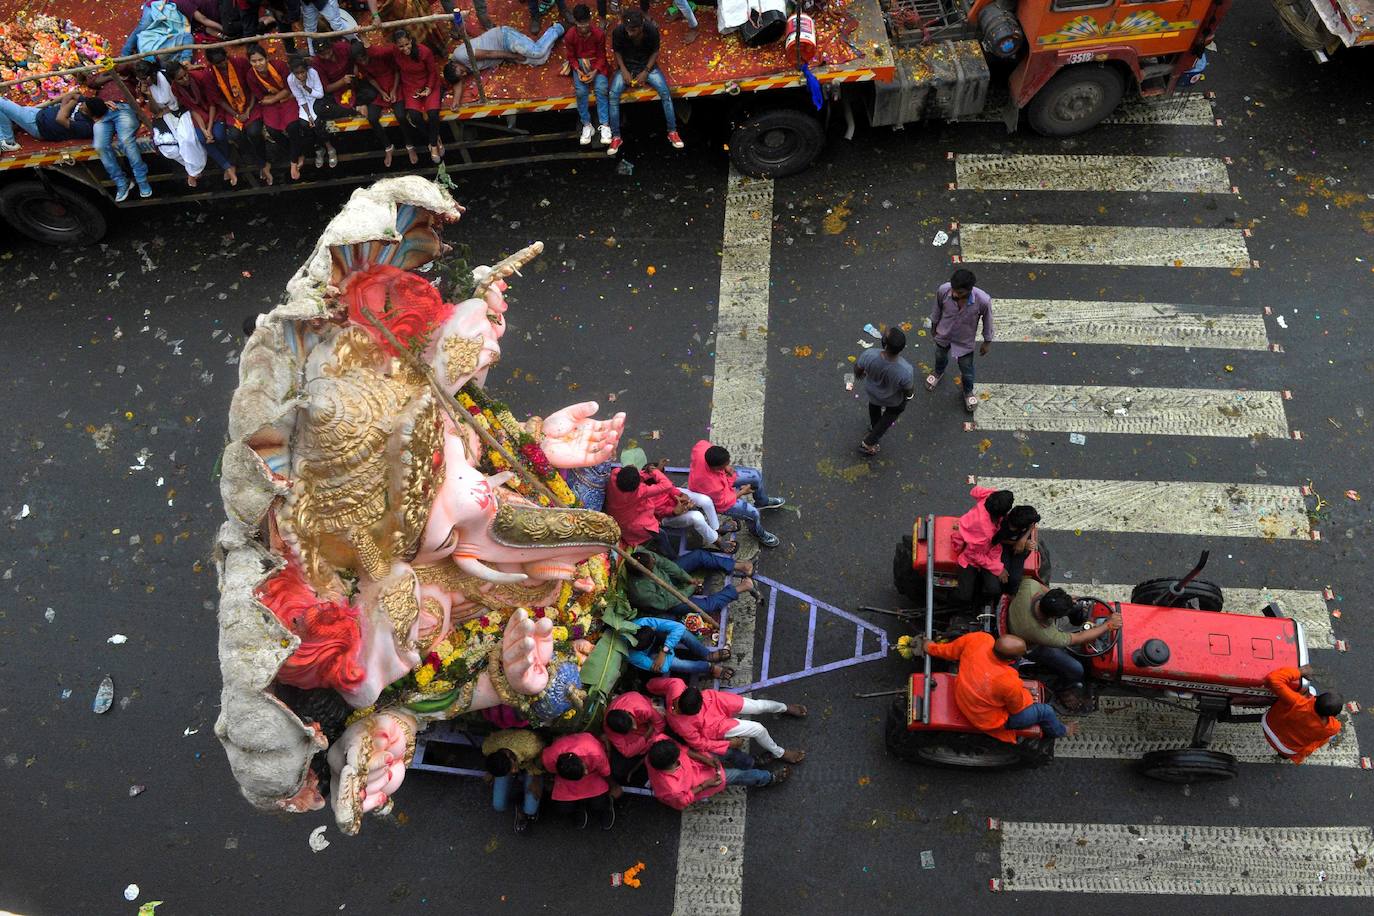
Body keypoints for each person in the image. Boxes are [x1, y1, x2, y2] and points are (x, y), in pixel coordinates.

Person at [909, 632, 1075, 741]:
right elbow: (1017, 708)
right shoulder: (1008, 681)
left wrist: (929, 647)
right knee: (1045, 711)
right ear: (1012, 660)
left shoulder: (979, 639)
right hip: (986, 719)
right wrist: (1025, 694)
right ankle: (1060, 731)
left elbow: (949, 650)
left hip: (963, 694)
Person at [1006, 584, 1120, 712]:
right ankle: (1064, 688)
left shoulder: (1029, 588)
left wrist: (1063, 601)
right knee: (1075, 669)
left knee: (1075, 607)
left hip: (1015, 616)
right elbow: (1079, 638)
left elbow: (1043, 589)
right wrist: (1108, 626)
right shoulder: (1045, 634)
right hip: (1032, 647)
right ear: (1054, 618)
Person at [648, 677, 807, 764]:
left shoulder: (676, 684)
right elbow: (700, 744)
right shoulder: (681, 725)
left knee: (759, 707)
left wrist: (647, 688)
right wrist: (727, 744)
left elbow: (653, 684)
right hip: (715, 726)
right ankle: (780, 753)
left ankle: (784, 707)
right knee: (758, 729)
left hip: (718, 701)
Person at [606, 463, 731, 552]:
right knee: (697, 517)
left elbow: (669, 488)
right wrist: (676, 511)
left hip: (675, 501)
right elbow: (663, 499)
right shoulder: (642, 493)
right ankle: (716, 540)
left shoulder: (616, 475)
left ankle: (716, 528)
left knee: (705, 500)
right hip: (666, 516)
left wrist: (681, 495)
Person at [607, 8, 681, 156]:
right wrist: (623, 70)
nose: (629, 33)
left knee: (665, 94)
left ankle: (672, 132)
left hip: (647, 66)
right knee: (613, 96)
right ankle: (616, 137)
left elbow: (655, 52)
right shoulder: (619, 31)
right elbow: (617, 52)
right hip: (627, 67)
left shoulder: (652, 30)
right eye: (628, 30)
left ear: (641, 26)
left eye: (633, 30)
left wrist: (646, 72)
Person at [688, 440, 785, 549]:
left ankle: (762, 501)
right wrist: (742, 492)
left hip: (722, 479)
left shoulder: (702, 446)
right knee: (753, 514)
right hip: (718, 499)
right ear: (716, 467)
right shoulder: (712, 486)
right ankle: (757, 533)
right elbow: (724, 502)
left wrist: (725, 468)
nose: (729, 465)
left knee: (756, 476)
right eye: (725, 464)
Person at [78, 68, 154, 201]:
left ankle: (142, 180)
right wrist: (111, 76)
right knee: (100, 146)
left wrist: (116, 74)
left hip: (122, 108)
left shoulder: (129, 74)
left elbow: (128, 68)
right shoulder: (102, 75)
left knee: (125, 141)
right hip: (103, 112)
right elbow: (92, 82)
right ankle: (121, 182)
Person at [646, 738, 782, 811]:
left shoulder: (658, 745)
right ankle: (767, 779)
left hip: (697, 762)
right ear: (673, 763)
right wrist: (705, 785)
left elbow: (684, 750)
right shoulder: (673, 790)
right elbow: (684, 801)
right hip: (699, 781)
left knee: (726, 752)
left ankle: (751, 762)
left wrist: (705, 759)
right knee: (737, 775)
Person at [927, 268, 994, 414]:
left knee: (967, 369)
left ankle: (968, 391)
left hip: (965, 341)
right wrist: (934, 326)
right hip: (944, 334)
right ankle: (938, 372)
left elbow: (988, 320)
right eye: (954, 291)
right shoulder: (944, 291)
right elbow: (936, 310)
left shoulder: (982, 300)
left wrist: (987, 342)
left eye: (961, 293)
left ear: (970, 289)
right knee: (939, 356)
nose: (956, 295)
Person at [627, 548, 754, 620]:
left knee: (698, 555)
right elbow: (669, 601)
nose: (654, 561)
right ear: (645, 571)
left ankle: (738, 566)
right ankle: (740, 588)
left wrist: (688, 579)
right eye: (652, 565)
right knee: (707, 606)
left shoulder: (645, 556)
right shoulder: (640, 592)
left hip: (669, 579)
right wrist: (691, 588)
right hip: (669, 603)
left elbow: (666, 564)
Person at [136, 61, 208, 184]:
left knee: (187, 140)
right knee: (167, 146)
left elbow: (182, 98)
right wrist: (148, 94)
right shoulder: (145, 86)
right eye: (140, 78)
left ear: (152, 74)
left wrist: (168, 109)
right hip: (164, 115)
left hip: (181, 109)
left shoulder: (166, 76)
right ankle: (190, 167)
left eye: (145, 78)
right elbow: (154, 110)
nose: (143, 81)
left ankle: (194, 171)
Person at [169, 59, 239, 185]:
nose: (185, 79)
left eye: (185, 75)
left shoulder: (201, 77)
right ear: (174, 80)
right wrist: (203, 130)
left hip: (214, 110)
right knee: (203, 139)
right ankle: (227, 166)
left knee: (219, 135)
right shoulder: (176, 88)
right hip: (199, 114)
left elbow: (213, 103)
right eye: (180, 79)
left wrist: (209, 127)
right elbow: (193, 109)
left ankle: (229, 164)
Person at [205, 48, 269, 183]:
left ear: (227, 57)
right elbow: (218, 99)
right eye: (218, 64)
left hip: (250, 104)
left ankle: (264, 160)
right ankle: (256, 160)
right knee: (234, 135)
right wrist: (235, 114)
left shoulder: (239, 63)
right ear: (212, 64)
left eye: (224, 61)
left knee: (254, 131)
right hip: (231, 109)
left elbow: (252, 86)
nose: (222, 65)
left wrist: (248, 110)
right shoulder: (210, 74)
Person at [349, 41, 415, 166]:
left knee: (401, 116)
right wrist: (381, 91)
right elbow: (370, 78)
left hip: (394, 84)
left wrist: (394, 90)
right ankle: (388, 147)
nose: (363, 62)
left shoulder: (379, 56)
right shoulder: (360, 63)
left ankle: (409, 145)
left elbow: (396, 72)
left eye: (363, 58)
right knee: (372, 118)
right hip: (379, 89)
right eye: (359, 60)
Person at [1262, 665, 1343, 764]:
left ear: (1316, 698)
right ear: (1333, 715)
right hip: (1288, 750)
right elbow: (1329, 731)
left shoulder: (1297, 702)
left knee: (1310, 689)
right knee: (1330, 736)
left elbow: (1273, 679)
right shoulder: (1332, 727)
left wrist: (1299, 671)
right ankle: (1284, 755)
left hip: (1269, 725)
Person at [245, 43, 301, 185]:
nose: (258, 64)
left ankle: (294, 160)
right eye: (254, 61)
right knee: (273, 130)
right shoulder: (251, 75)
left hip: (286, 99)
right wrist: (274, 99)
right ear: (250, 62)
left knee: (293, 126)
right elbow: (260, 97)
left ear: (267, 58)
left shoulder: (279, 66)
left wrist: (274, 98)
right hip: (270, 104)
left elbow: (289, 88)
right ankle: (295, 153)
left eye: (260, 60)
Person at [540, 731, 618, 830]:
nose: (585, 773)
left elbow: (605, 772)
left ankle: (607, 806)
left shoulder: (595, 753)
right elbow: (550, 770)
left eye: (584, 770)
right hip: (566, 780)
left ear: (581, 761)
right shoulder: (550, 757)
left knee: (598, 804)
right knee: (563, 808)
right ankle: (579, 807)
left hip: (593, 775)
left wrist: (613, 786)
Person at [855, 326, 914, 456]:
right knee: (890, 416)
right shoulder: (906, 370)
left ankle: (874, 426)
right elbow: (908, 390)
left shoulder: (869, 355)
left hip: (873, 393)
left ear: (885, 345)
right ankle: (868, 443)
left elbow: (858, 371)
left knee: (874, 408)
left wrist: (862, 374)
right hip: (893, 400)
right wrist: (908, 397)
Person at [951, 486, 1014, 604]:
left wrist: (991, 493)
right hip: (972, 554)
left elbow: (975, 491)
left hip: (976, 543)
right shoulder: (986, 533)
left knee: (992, 587)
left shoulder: (989, 497)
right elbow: (972, 554)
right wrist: (998, 568)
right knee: (966, 595)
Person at [394, 29, 444, 164]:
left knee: (433, 113)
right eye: (401, 46)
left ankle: (433, 146)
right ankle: (434, 138)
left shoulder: (424, 51)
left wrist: (428, 88)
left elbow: (433, 72)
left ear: (411, 41)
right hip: (411, 87)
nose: (405, 48)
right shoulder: (396, 54)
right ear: (396, 46)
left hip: (429, 84)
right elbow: (375, 52)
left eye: (406, 44)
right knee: (415, 116)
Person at [287, 55, 341, 177]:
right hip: (305, 104)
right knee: (305, 124)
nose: (300, 76)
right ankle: (319, 149)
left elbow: (320, 94)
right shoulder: (291, 79)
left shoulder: (313, 73)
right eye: (297, 74)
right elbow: (300, 98)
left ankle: (329, 147)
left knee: (317, 124)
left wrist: (306, 87)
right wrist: (308, 115)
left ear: (306, 69)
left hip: (317, 99)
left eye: (302, 72)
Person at [482, 728, 545, 833]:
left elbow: (542, 759)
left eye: (512, 768)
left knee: (530, 810)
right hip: (510, 760)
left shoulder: (532, 747)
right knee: (498, 805)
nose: (515, 771)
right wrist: (492, 772)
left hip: (533, 764)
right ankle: (519, 805)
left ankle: (525, 811)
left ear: (509, 757)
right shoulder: (488, 747)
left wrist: (536, 779)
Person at [0, 92, 105, 156]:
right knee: (3, 108)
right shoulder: (88, 103)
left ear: (92, 114)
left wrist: (71, 104)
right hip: (39, 113)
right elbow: (71, 95)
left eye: (83, 108)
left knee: (1, 102)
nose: (81, 106)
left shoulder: (87, 127)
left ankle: (7, 142)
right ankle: (8, 140)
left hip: (37, 125)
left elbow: (60, 119)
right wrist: (65, 107)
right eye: (82, 104)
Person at [564, 4, 611, 146]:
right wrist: (577, 70)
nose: (583, 27)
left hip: (597, 64)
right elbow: (571, 57)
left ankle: (605, 124)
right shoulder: (570, 35)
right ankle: (586, 124)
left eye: (585, 23)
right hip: (579, 65)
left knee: (601, 90)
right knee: (580, 92)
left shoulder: (599, 34)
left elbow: (602, 55)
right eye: (580, 24)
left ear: (590, 20)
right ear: (575, 22)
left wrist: (595, 70)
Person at [627, 617, 734, 679]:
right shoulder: (632, 655)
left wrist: (665, 650)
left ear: (652, 628)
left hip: (662, 643)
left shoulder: (643, 623)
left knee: (683, 633)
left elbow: (679, 627)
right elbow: (663, 668)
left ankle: (706, 654)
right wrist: (665, 650)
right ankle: (709, 668)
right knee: (674, 663)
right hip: (652, 654)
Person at [121, 0, 194, 63]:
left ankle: (184, 62)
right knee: (143, 26)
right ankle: (125, 53)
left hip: (168, 4)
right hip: (154, 3)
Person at [311, 38, 356, 105]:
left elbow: (356, 58)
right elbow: (327, 88)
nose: (326, 57)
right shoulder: (316, 63)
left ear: (331, 47)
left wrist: (356, 68)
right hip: (337, 90)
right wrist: (343, 81)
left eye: (328, 52)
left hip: (355, 80)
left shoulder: (343, 47)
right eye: (322, 54)